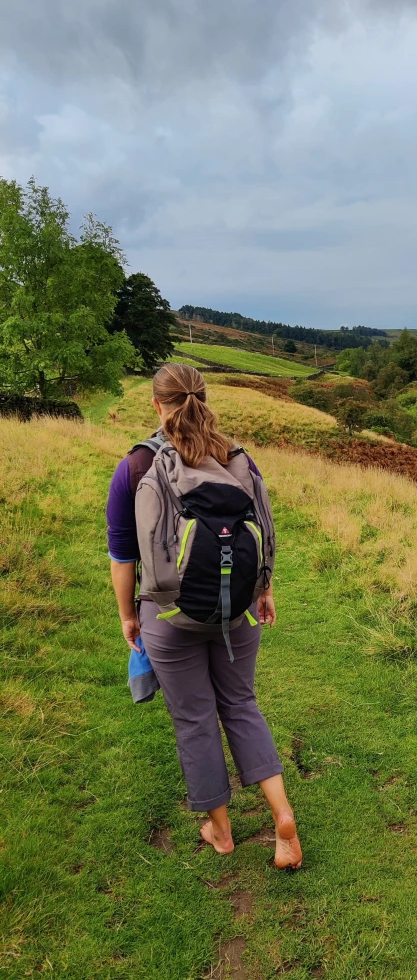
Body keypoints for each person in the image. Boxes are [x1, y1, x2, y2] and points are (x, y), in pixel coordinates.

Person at [106, 363, 302, 869]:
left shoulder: (135, 467)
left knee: (195, 719)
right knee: (240, 703)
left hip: (168, 617)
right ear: (205, 398)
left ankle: (220, 829)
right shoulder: (237, 457)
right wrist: (264, 589)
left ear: (156, 404)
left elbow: (123, 555)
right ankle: (282, 816)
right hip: (236, 610)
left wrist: (129, 616)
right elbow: (262, 528)